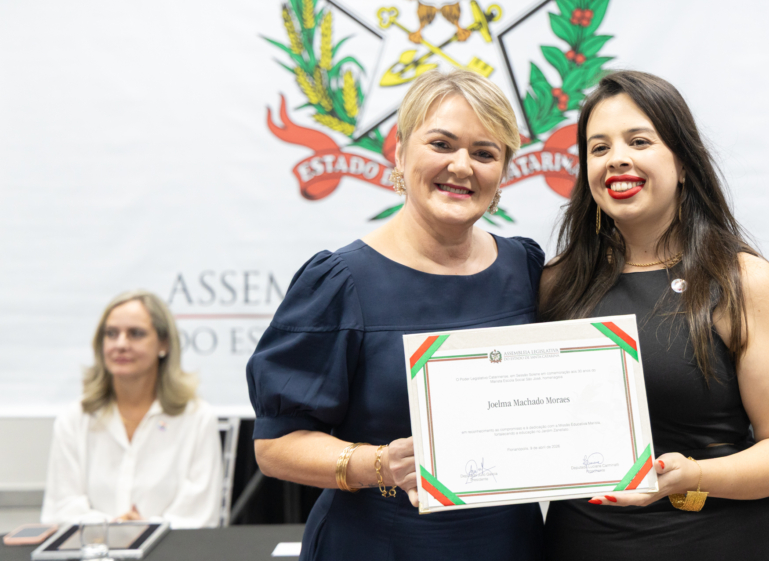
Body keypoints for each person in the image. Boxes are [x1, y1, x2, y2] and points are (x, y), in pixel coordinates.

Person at [246, 69, 544, 561]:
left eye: (484, 153)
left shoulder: (525, 267)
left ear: (503, 172)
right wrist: (381, 464)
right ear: (400, 154)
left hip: (510, 543)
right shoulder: (340, 282)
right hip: (378, 545)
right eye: (441, 144)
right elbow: (275, 447)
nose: (462, 166)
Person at [539, 71, 769, 560]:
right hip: (582, 545)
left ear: (684, 163)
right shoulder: (557, 282)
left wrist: (695, 476)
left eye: (639, 141)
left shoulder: (741, 280)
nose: (616, 158)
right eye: (599, 148)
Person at [41, 290, 222, 529]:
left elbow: (200, 518)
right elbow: (60, 509)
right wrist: (116, 528)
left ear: (164, 343)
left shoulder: (197, 418)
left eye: (136, 334)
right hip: (91, 548)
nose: (121, 344)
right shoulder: (75, 418)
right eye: (111, 334)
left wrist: (143, 530)